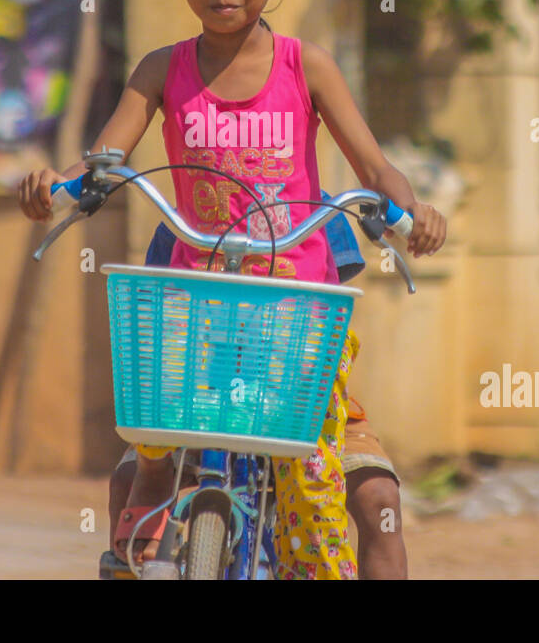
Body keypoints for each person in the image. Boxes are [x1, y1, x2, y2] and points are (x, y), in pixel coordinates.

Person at [18, 0, 446, 580]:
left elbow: (373, 168)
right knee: (145, 471)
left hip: (300, 321)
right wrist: (56, 191)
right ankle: (144, 549)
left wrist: (408, 214)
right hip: (195, 318)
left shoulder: (306, 67)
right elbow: (103, 160)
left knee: (348, 497)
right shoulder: (161, 70)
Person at [106, 205, 411, 579]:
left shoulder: (323, 212)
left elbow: (329, 317)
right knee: (127, 480)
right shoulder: (187, 208)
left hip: (303, 399)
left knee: (379, 498)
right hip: (199, 395)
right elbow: (167, 317)